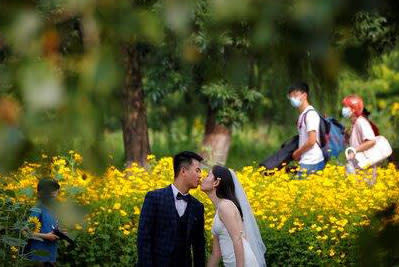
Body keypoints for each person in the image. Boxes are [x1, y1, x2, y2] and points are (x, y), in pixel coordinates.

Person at [137, 151, 206, 267]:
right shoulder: (154, 198)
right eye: (197, 170)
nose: (200, 175)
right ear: (183, 171)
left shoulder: (197, 206)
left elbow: (199, 247)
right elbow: (144, 240)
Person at [201, 165, 266, 267]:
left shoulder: (225, 206)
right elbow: (216, 254)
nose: (203, 178)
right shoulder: (219, 209)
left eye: (208, 175)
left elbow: (237, 239)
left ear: (216, 182)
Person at [288, 82, 325, 176]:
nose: (293, 99)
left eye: (295, 95)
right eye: (291, 97)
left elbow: (312, 140)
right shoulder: (303, 114)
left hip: (312, 161)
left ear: (304, 95)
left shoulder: (310, 114)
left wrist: (297, 153)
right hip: (307, 160)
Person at [342, 95, 378, 184]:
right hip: (358, 166)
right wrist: (347, 137)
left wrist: (355, 150)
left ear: (353, 109)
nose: (343, 109)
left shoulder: (361, 122)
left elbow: (371, 141)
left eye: (346, 107)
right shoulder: (354, 123)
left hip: (365, 166)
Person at [27, 178, 63, 266]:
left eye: (55, 189)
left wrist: (59, 232)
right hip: (38, 255)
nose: (53, 192)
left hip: (51, 253)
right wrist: (46, 236)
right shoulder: (38, 209)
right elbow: (26, 231)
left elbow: (51, 227)